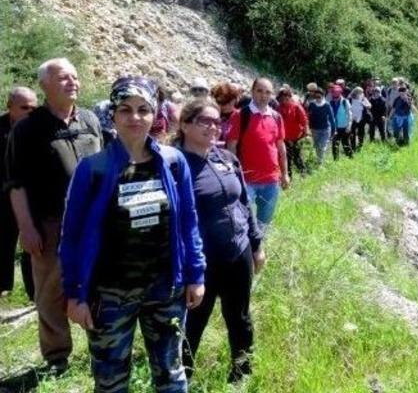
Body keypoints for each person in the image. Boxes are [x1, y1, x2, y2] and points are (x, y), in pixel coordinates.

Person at [61, 76, 205, 392]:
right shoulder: (93, 169)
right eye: (125, 109)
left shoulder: (172, 162)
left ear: (155, 115)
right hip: (109, 294)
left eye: (143, 109)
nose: (135, 117)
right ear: (112, 114)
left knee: (171, 374)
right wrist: (75, 293)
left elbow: (188, 223)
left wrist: (196, 275)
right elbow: (71, 237)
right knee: (111, 380)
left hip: (165, 289)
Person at [7, 59, 102, 373]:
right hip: (50, 224)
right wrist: (26, 228)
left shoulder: (90, 120)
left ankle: (102, 345)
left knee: (97, 285)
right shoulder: (27, 129)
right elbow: (15, 182)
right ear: (45, 85)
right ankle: (57, 358)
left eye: (75, 76)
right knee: (50, 293)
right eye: (63, 77)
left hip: (92, 223)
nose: (72, 82)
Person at [177, 99, 263, 383]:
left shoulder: (226, 157)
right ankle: (181, 381)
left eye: (217, 121)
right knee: (192, 324)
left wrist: (256, 244)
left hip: (237, 252)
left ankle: (241, 375)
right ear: (185, 124)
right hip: (201, 263)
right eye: (205, 121)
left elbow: (243, 203)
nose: (213, 127)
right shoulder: (174, 165)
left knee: (239, 317)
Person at [226, 78, 289, 234]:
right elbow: (231, 147)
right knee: (240, 221)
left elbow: (281, 148)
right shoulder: (241, 115)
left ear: (272, 95)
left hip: (271, 180)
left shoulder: (276, 117)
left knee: (264, 222)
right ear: (252, 92)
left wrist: (285, 174)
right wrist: (233, 175)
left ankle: (258, 250)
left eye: (267, 92)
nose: (263, 95)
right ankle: (245, 252)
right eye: (259, 91)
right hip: (246, 180)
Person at [0, 87, 37, 300]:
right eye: (24, 107)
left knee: (32, 246)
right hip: (3, 198)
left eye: (33, 108)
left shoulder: (38, 129)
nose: (29, 112)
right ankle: (4, 288)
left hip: (29, 197)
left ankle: (35, 294)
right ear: (10, 107)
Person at [278, 87, 308, 178]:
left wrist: (305, 132)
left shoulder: (296, 107)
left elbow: (304, 120)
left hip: (296, 137)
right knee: (286, 158)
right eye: (282, 98)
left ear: (290, 97)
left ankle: (303, 174)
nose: (284, 100)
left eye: (286, 98)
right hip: (284, 138)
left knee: (297, 156)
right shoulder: (279, 108)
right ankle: (288, 177)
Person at [306, 87, 335, 163]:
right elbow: (307, 116)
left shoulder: (327, 105)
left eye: (319, 97)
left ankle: (320, 163)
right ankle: (319, 159)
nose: (318, 98)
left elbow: (332, 119)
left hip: (325, 129)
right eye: (316, 97)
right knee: (317, 146)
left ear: (323, 96)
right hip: (314, 129)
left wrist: (333, 130)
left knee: (322, 147)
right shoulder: (312, 104)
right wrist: (307, 128)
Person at [328, 86, 352, 160]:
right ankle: (336, 160)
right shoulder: (330, 102)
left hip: (344, 127)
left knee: (346, 143)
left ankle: (350, 159)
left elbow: (349, 115)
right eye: (333, 95)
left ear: (340, 94)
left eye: (336, 95)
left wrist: (349, 126)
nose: (334, 97)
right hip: (335, 127)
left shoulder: (345, 102)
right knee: (335, 144)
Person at [348, 87, 371, 152]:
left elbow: (369, 105)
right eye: (360, 92)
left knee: (361, 132)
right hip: (352, 119)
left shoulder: (363, 98)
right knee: (352, 133)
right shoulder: (350, 98)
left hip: (361, 118)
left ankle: (360, 145)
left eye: (362, 92)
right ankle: (353, 147)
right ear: (355, 92)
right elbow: (347, 108)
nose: (361, 94)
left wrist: (365, 105)